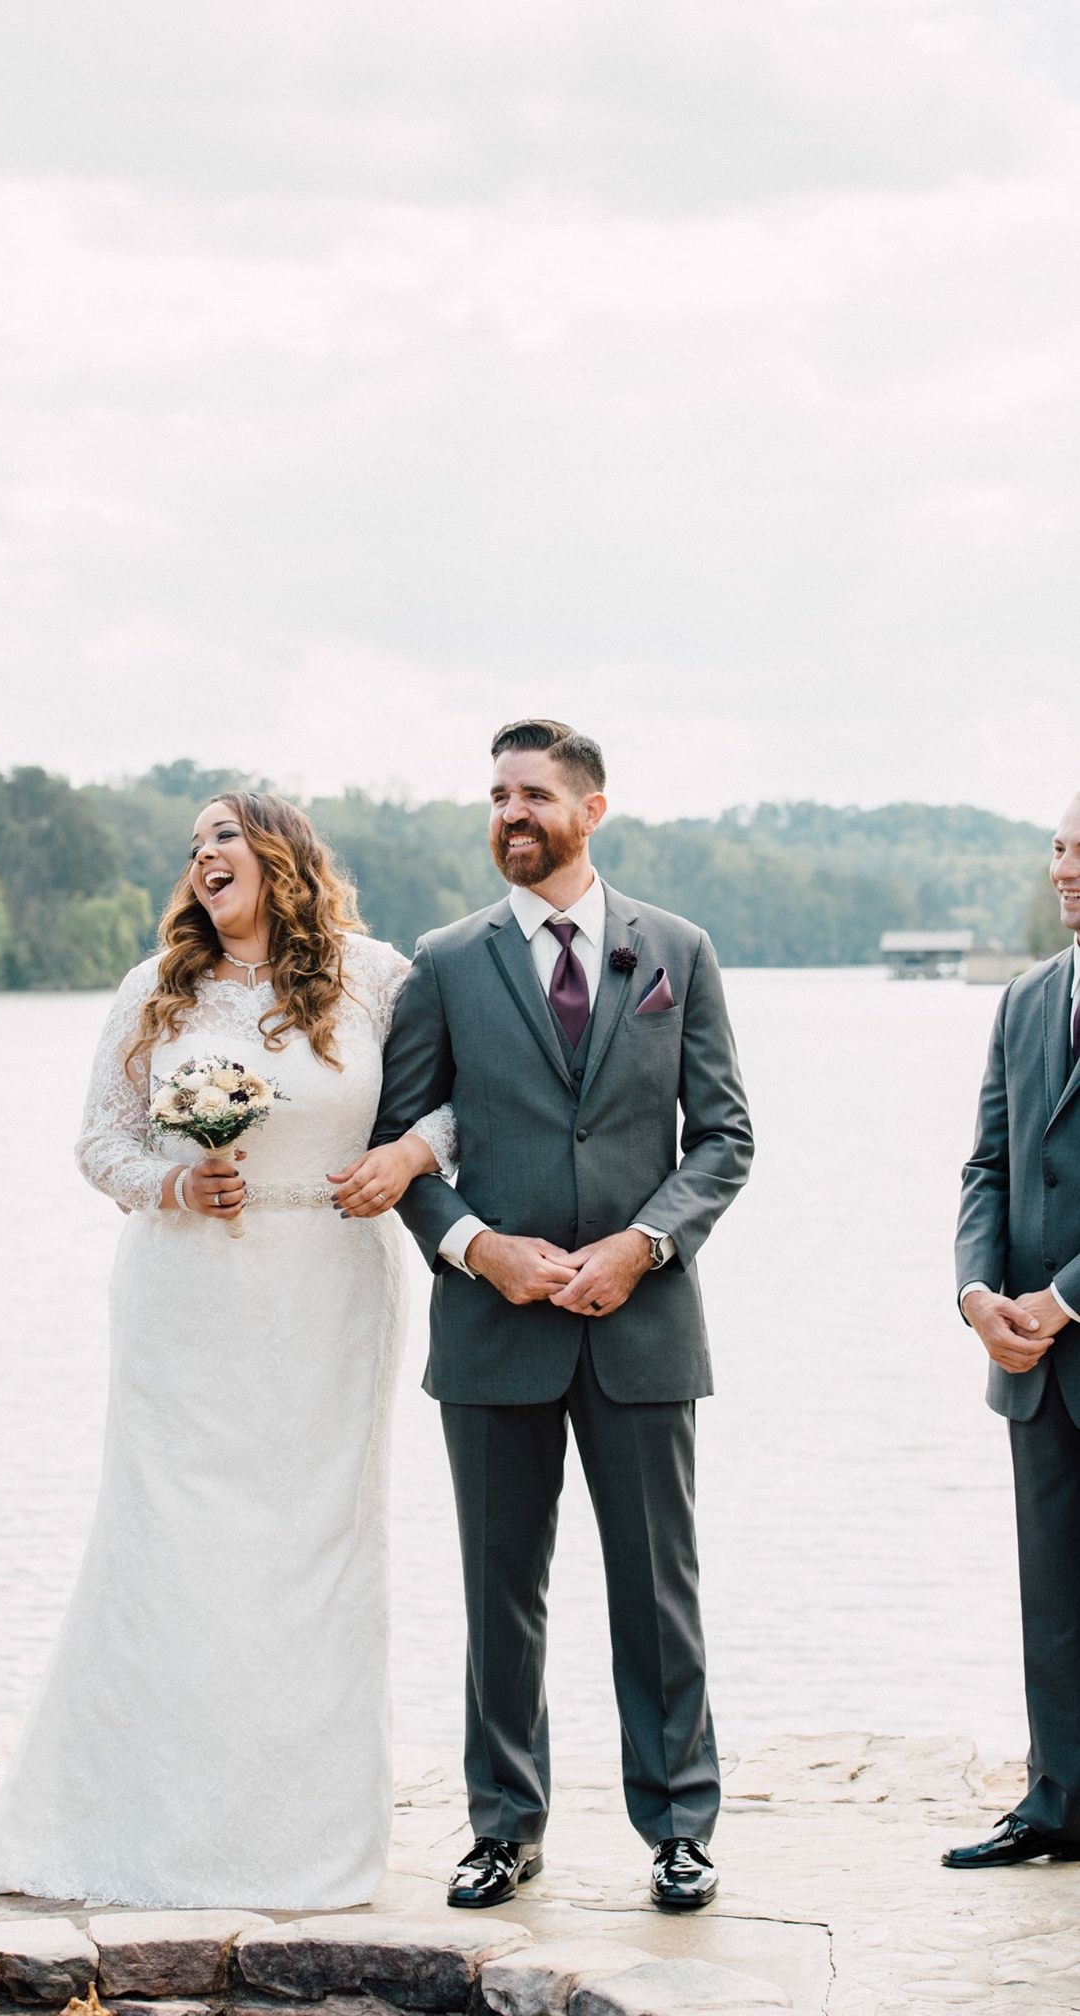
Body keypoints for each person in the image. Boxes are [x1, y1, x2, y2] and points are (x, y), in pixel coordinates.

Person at [0, 790, 453, 1908]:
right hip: (185, 1289)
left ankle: (299, 1833)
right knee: (172, 1541)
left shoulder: (378, 975)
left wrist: (411, 1157)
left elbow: (460, 1106)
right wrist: (176, 1179)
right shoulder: (157, 988)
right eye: (193, 843)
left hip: (329, 1283)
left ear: (282, 852)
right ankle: (141, 1815)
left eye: (224, 834)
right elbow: (100, 1141)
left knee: (314, 1547)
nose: (203, 854)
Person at [372, 717, 753, 1913]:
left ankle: (680, 1827)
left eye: (533, 793)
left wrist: (643, 1246)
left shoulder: (676, 952)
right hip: (492, 1335)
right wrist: (480, 1248)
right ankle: (503, 1826)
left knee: (658, 1589)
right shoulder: (443, 959)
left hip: (642, 1329)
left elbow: (725, 1137)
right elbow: (404, 1150)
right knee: (500, 1592)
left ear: (592, 808)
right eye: (496, 795)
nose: (509, 814)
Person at [943, 792, 1080, 1870]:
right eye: (1060, 846)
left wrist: (1065, 1293)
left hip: (1063, 1320)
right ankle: (1054, 1802)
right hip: (1029, 1358)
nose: (1063, 869)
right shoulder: (1025, 999)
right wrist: (976, 1293)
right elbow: (986, 1162)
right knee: (1052, 1593)